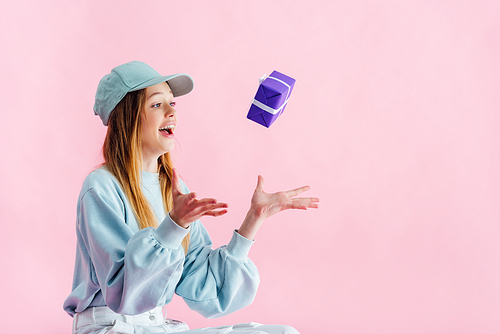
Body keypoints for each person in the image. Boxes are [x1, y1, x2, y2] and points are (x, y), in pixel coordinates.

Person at [63, 61, 319, 334]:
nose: (172, 111)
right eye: (157, 104)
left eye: (173, 103)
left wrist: (252, 222)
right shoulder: (101, 186)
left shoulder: (172, 187)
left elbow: (203, 285)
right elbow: (123, 293)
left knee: (281, 333)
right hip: (109, 327)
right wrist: (174, 225)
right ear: (127, 117)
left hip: (157, 327)